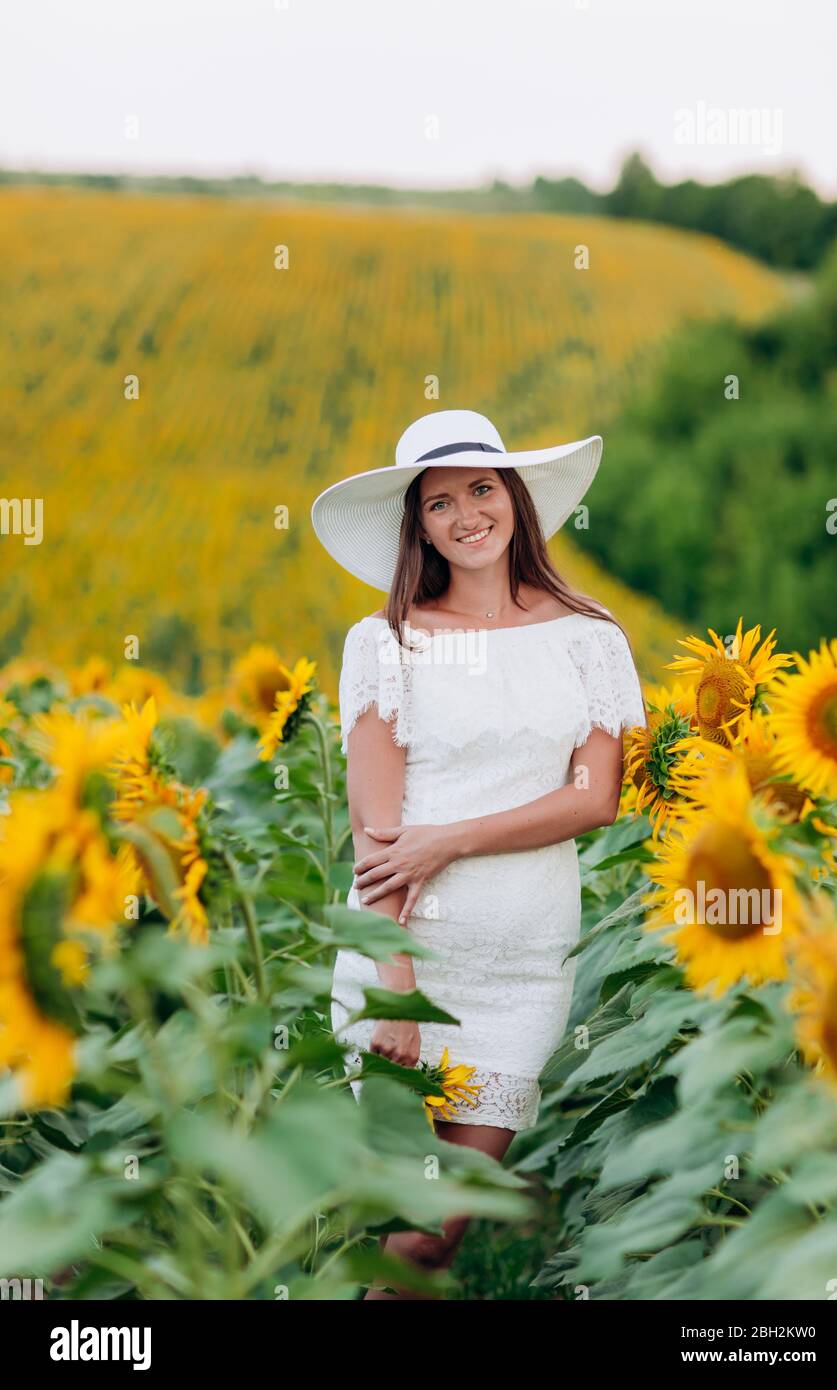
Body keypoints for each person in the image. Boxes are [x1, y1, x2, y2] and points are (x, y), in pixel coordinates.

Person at [310, 408, 647, 1298]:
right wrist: (395, 999)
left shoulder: (589, 637)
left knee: (443, 1234)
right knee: (415, 1232)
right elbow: (381, 840)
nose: (466, 515)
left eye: (482, 489)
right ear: (415, 525)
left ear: (515, 499)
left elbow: (595, 798)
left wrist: (449, 840)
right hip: (407, 968)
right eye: (438, 502)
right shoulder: (385, 644)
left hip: (525, 975)